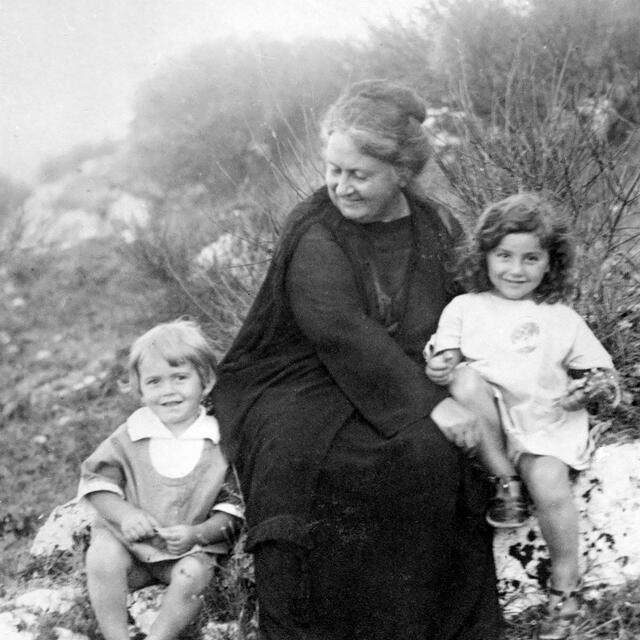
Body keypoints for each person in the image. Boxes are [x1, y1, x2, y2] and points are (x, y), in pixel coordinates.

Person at [209, 79, 502, 639]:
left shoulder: (435, 226)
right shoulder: (316, 229)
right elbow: (338, 329)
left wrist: (452, 362)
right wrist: (428, 406)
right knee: (301, 462)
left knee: (430, 458)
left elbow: (466, 305)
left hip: (402, 373)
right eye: (333, 169)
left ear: (402, 174)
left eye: (358, 175)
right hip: (301, 377)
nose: (340, 185)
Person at [425, 192, 620, 640]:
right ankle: (504, 482)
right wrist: (439, 365)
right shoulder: (465, 307)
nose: (516, 270)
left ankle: (565, 588)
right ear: (485, 256)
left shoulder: (559, 316)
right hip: (490, 425)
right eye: (504, 256)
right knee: (464, 379)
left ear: (550, 263)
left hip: (545, 422)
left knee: (550, 482)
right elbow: (443, 359)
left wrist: (585, 389)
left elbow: (602, 373)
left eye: (531, 258)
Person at [78, 319, 244, 640]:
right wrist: (126, 515)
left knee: (193, 575)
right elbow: (96, 481)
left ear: (206, 381)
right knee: (101, 555)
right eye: (154, 382)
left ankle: (160, 636)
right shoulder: (132, 434)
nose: (168, 391)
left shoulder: (219, 441)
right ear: (139, 390)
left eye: (180, 378)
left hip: (185, 551)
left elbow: (232, 510)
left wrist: (198, 533)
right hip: (132, 549)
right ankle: (116, 635)